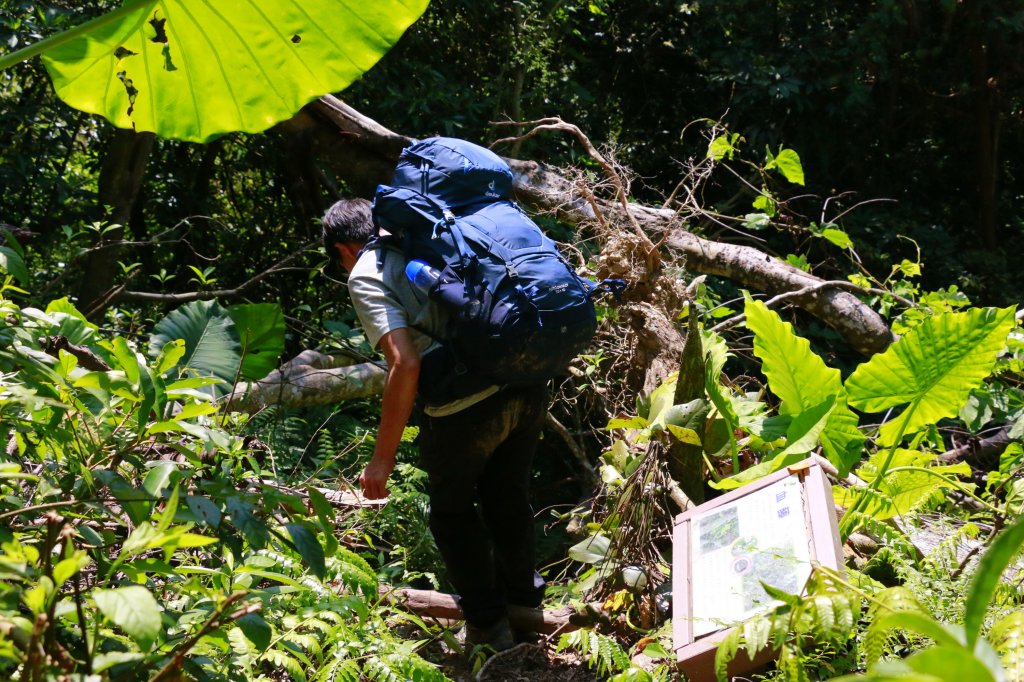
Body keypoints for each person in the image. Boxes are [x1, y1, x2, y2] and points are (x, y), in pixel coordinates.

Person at [322, 197, 547, 650]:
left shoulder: (367, 272)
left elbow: (404, 364)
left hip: (465, 405)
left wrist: (381, 461)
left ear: (345, 248)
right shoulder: (433, 240)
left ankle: (489, 628)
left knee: (452, 513)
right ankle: (527, 612)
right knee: (507, 497)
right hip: (525, 378)